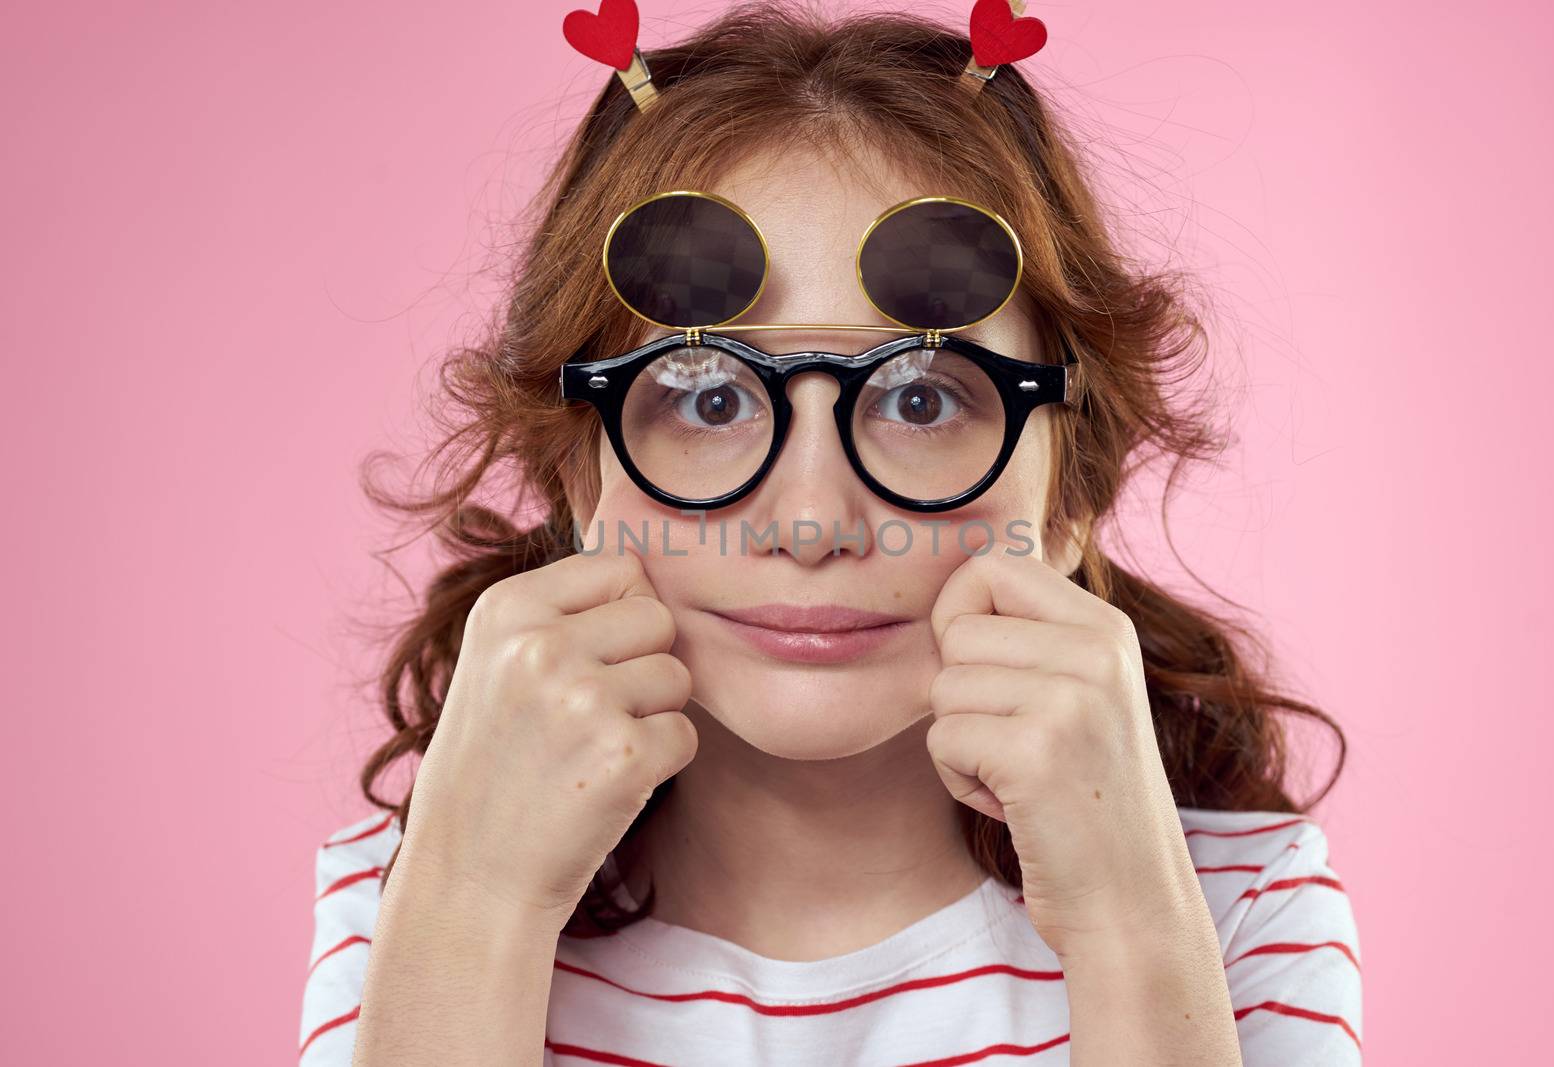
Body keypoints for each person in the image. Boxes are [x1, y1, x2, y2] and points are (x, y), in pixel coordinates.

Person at [299, 4, 1362, 1064]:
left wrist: (1130, 924)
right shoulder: (416, 899)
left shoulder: (1227, 911)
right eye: (708, 400)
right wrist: (477, 900)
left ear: (1071, 485)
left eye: (922, 400)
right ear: (581, 469)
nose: (811, 521)